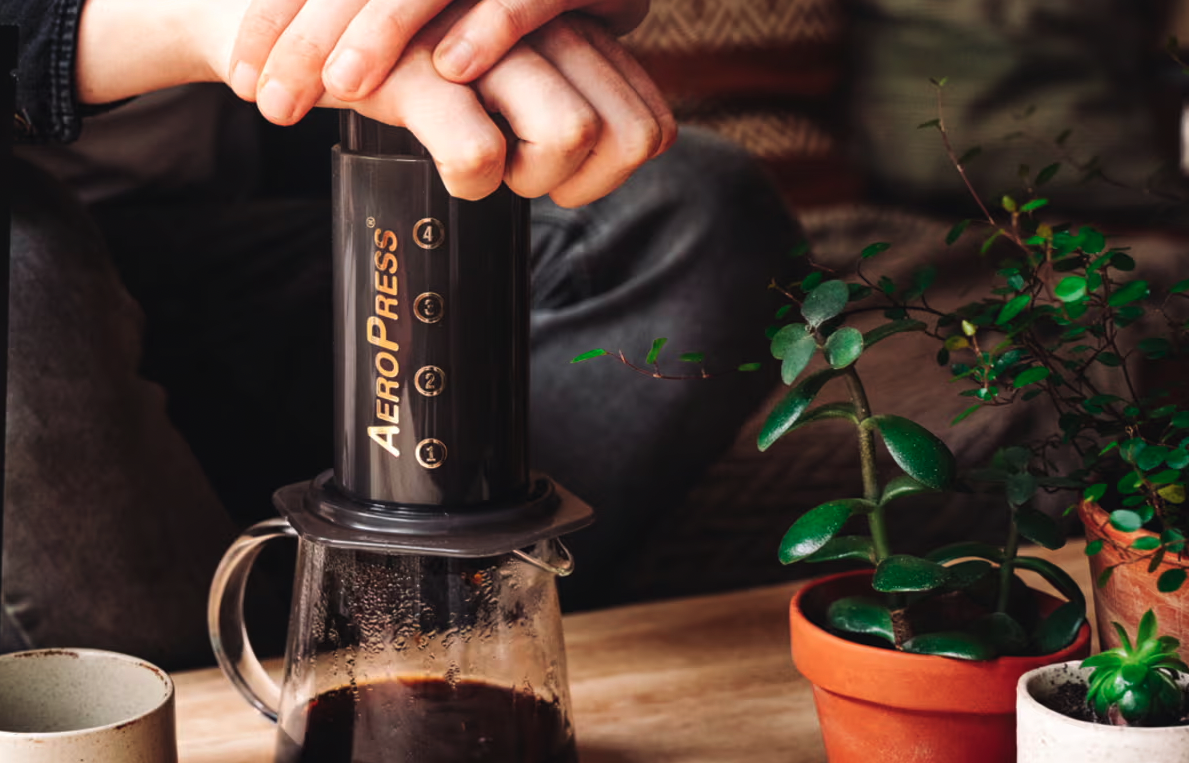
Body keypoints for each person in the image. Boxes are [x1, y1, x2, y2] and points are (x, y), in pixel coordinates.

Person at [2, 0, 801, 669]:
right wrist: (212, 19)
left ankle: (416, 666)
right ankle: (164, 717)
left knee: (691, 214)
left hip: (229, 217)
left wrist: (485, 19)